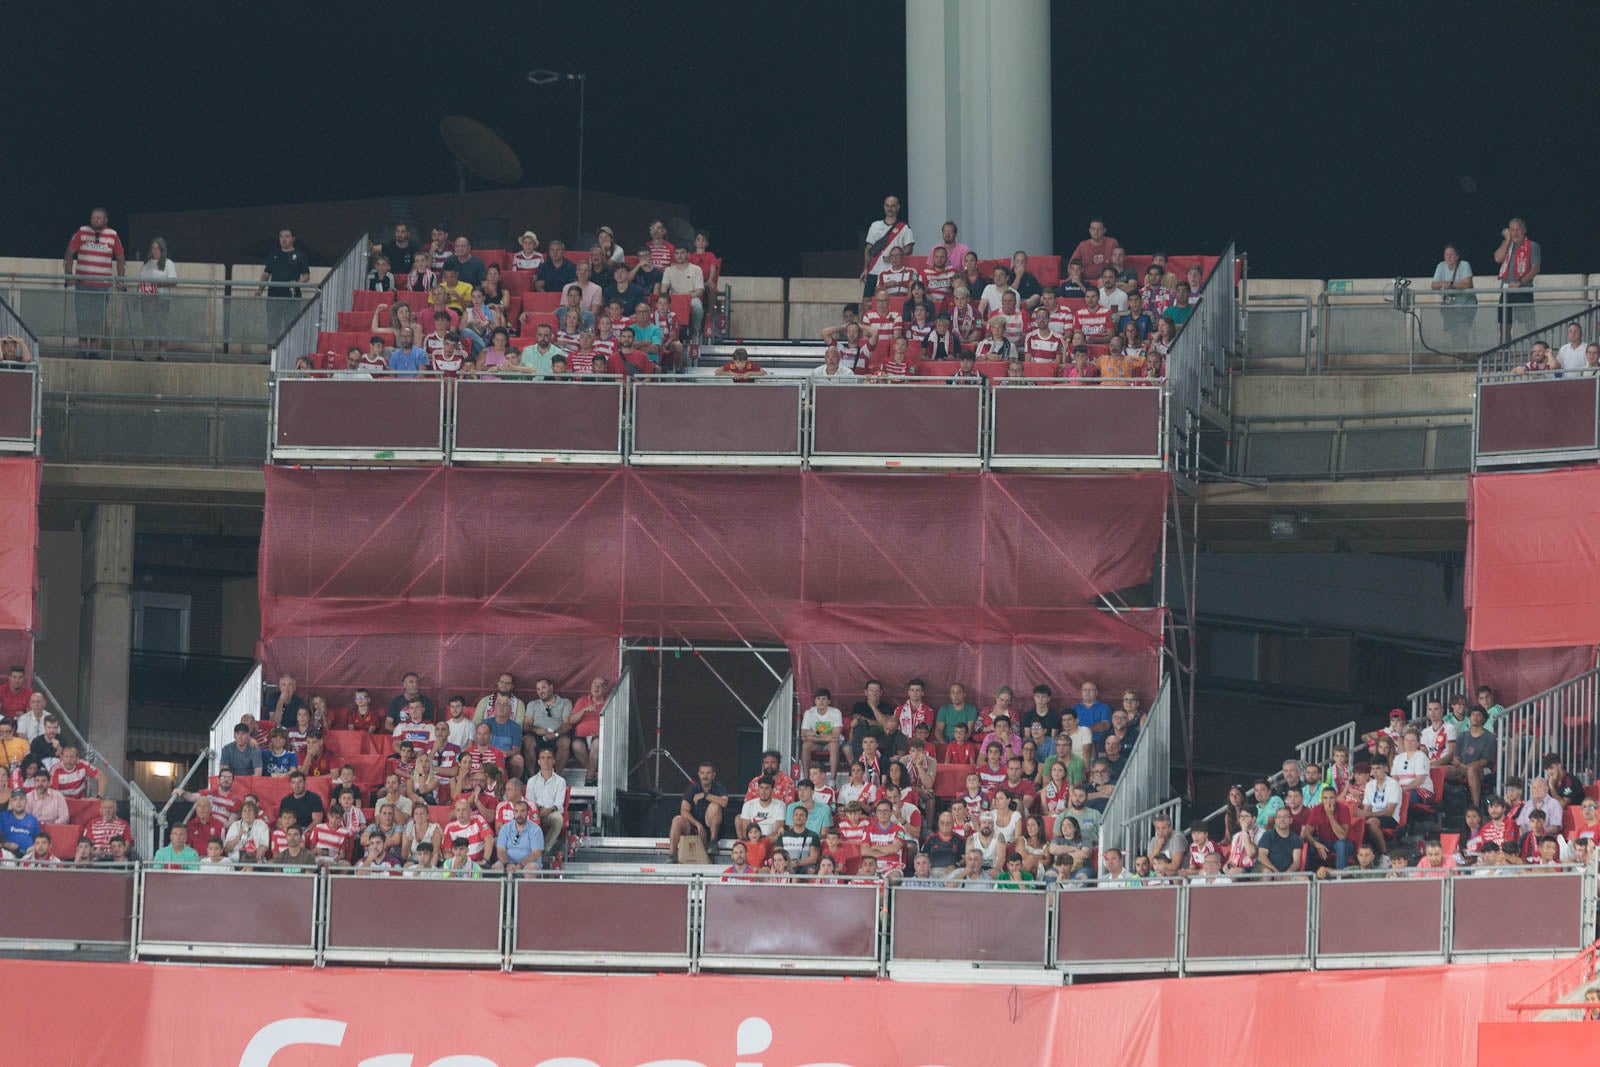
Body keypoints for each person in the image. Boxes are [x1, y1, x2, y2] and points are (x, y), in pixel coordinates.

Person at [63, 207, 127, 357]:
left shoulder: (112, 234)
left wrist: (121, 279)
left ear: (105, 220)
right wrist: (69, 275)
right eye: (93, 217)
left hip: (102, 286)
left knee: (98, 319)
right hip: (83, 284)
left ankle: (94, 351)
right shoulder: (82, 231)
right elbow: (69, 253)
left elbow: (121, 257)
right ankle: (83, 350)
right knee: (82, 318)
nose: (95, 220)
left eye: (99, 218)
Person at [256, 227, 311, 340]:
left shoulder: (300, 256)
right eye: (281, 236)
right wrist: (260, 289)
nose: (283, 239)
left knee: (291, 327)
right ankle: (271, 351)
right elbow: (266, 274)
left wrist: (297, 284)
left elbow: (306, 276)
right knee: (272, 327)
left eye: (287, 236)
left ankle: (288, 350)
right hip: (274, 297)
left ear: (293, 238)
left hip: (292, 298)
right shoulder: (273, 255)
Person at [1493, 217, 1540, 342]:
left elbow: (1535, 269)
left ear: (1524, 230)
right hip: (1506, 291)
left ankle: (1538, 351)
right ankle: (1505, 353)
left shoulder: (1533, 246)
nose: (1515, 233)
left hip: (1523, 290)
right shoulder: (1507, 245)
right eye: (1512, 230)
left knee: (1529, 326)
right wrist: (1507, 240)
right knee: (1504, 327)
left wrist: (1519, 282)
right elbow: (1498, 258)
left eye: (1518, 230)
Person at [670, 762, 727, 860]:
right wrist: (697, 824)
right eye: (702, 773)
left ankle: (713, 843)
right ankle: (672, 855)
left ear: (713, 775)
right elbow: (684, 810)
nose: (705, 776)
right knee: (677, 820)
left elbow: (724, 802)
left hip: (711, 829)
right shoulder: (692, 789)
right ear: (699, 774)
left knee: (715, 806)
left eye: (708, 773)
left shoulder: (719, 787)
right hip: (694, 828)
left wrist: (705, 795)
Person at [860, 194, 915, 299]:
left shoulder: (904, 227)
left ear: (898, 207)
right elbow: (868, 249)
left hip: (893, 272)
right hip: (874, 271)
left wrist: (892, 258)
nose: (889, 208)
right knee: (866, 301)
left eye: (892, 206)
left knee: (891, 301)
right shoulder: (875, 226)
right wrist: (865, 268)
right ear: (884, 206)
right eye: (887, 205)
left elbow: (909, 250)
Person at [1430, 243, 1478, 351]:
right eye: (1446, 254)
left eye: (1451, 254)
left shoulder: (1464, 265)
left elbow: (1467, 284)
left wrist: (1451, 285)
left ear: (1457, 256)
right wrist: (1443, 283)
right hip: (1450, 306)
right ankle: (1457, 356)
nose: (1449, 257)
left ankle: (1462, 357)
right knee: (1453, 332)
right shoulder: (1441, 266)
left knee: (1462, 331)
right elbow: (1433, 285)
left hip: (1466, 305)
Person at [526, 747, 568, 854]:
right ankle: (527, 848)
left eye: (549, 758)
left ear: (553, 761)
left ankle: (544, 849)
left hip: (552, 812)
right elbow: (529, 801)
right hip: (536, 812)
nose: (546, 761)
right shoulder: (531, 781)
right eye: (543, 758)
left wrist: (549, 810)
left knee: (558, 819)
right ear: (539, 762)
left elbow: (559, 802)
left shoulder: (560, 781)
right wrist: (539, 809)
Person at [496, 799, 546, 872]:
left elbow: (536, 853)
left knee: (531, 868)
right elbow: (500, 851)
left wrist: (521, 865)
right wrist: (507, 864)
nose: (519, 815)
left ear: (528, 812)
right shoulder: (505, 828)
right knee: (496, 867)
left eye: (522, 811)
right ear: (513, 812)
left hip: (528, 863)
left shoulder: (536, 829)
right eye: (516, 811)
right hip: (508, 863)